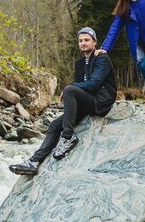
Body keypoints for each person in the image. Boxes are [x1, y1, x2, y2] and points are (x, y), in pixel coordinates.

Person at [9, 27, 117, 176]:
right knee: (54, 125)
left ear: (94, 42)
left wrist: (69, 88)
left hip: (101, 102)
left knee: (69, 90)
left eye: (87, 40)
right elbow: (80, 87)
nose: (83, 43)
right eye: (80, 41)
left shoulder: (102, 58)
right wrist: (71, 93)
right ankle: (34, 162)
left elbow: (94, 84)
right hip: (87, 102)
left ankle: (67, 137)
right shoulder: (80, 63)